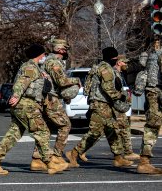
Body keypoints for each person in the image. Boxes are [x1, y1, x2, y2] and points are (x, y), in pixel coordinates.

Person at [0, 44, 68, 175]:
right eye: (43, 54)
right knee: (43, 132)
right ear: (39, 55)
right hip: (27, 104)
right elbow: (21, 83)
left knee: (14, 134)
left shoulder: (33, 67)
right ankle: (50, 163)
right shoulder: (30, 67)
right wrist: (16, 96)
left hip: (24, 105)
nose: (45, 57)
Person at [65, 47, 133, 168]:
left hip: (105, 104)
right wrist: (121, 96)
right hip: (100, 105)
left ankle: (118, 158)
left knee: (112, 131)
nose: (116, 60)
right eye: (115, 58)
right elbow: (108, 88)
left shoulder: (103, 67)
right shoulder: (105, 68)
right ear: (111, 58)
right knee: (95, 133)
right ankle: (74, 153)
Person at [30, 39, 80, 169]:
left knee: (45, 128)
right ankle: (57, 156)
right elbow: (62, 81)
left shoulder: (48, 61)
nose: (66, 52)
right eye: (65, 49)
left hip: (46, 98)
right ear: (60, 50)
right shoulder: (53, 62)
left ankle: (37, 159)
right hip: (51, 99)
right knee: (65, 125)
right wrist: (76, 80)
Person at [134, 41, 162, 174]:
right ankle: (144, 162)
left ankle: (144, 161)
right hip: (157, 91)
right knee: (153, 125)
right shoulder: (157, 54)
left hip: (152, 91)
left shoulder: (152, 54)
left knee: (153, 125)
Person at [113, 55, 139, 161]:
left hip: (121, 105)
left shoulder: (121, 74)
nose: (126, 65)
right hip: (115, 105)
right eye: (124, 63)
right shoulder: (114, 73)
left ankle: (127, 152)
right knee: (99, 131)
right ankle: (78, 151)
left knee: (123, 127)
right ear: (119, 63)